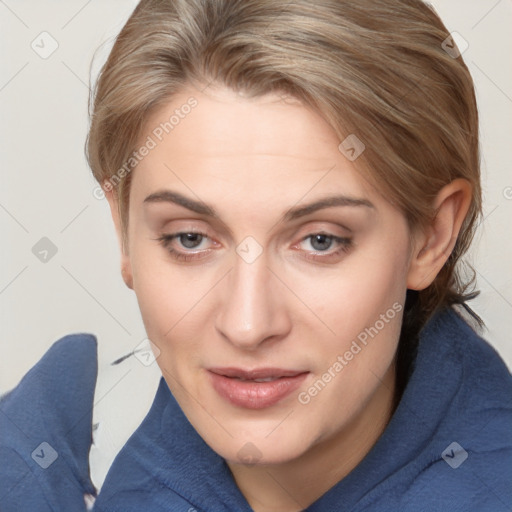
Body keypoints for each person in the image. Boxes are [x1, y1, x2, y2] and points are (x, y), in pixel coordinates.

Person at [1, 0, 511, 510]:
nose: (248, 325)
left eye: (321, 240)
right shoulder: (46, 461)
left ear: (432, 236)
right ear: (124, 227)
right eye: (190, 238)